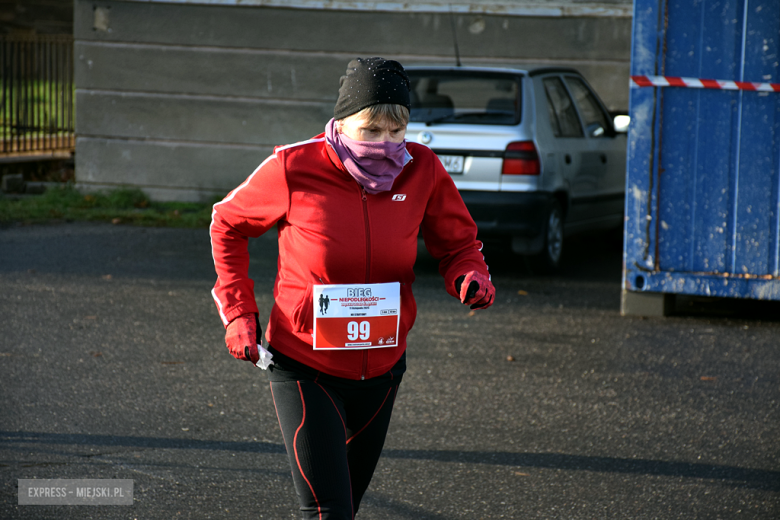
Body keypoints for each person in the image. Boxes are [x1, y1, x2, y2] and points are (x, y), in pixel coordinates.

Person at [210, 57, 495, 520]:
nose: (385, 145)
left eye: (396, 131)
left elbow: (459, 243)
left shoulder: (421, 169)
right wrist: (239, 313)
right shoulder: (293, 166)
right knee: (328, 511)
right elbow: (226, 223)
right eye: (370, 131)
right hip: (305, 365)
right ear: (341, 122)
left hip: (382, 368)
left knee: (347, 507)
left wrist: (470, 276)